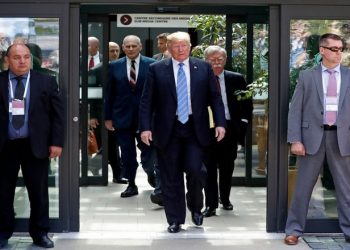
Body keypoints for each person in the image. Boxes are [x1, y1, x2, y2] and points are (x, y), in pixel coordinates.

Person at [139, 31, 226, 233]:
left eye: (184, 46)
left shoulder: (203, 68)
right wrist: (145, 127)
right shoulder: (156, 69)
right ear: (169, 48)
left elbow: (215, 98)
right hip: (167, 130)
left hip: (195, 128)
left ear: (190, 47)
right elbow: (146, 101)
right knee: (170, 176)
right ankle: (175, 219)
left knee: (196, 170)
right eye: (176, 46)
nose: (180, 49)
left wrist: (220, 123)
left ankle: (195, 206)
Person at [284, 33, 350, 245]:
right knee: (303, 188)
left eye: (341, 49)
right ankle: (293, 230)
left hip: (342, 138)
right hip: (311, 138)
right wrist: (295, 139)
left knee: (346, 189)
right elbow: (295, 110)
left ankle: (348, 231)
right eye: (334, 49)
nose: (338, 53)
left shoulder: (349, 75)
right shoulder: (307, 76)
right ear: (322, 50)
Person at [0, 43, 64, 248]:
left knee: (38, 192)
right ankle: (2, 232)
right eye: (17, 57)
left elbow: (57, 116)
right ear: (7, 60)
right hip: (5, 146)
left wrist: (56, 143)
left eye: (26, 57)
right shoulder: (0, 81)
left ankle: (40, 233)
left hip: (35, 145)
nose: (22, 61)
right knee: (2, 192)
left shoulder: (46, 81)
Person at [202, 45, 252, 217]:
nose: (217, 63)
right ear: (206, 60)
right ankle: (211, 204)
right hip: (208, 129)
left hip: (231, 128)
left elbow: (246, 103)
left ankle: (225, 198)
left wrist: (243, 124)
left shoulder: (236, 78)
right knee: (208, 168)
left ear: (225, 60)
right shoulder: (200, 79)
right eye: (212, 60)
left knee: (227, 167)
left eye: (220, 59)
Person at [105, 35, 158, 198]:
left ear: (140, 47)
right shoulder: (114, 66)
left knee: (149, 152)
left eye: (134, 46)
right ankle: (131, 184)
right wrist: (108, 117)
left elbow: (158, 93)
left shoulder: (153, 65)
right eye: (127, 46)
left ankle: (151, 172)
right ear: (122, 47)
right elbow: (109, 93)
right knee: (127, 153)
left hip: (147, 118)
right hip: (122, 117)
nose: (130, 49)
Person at [89, 41, 126, 184]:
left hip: (120, 113)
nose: (115, 53)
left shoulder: (124, 67)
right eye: (112, 51)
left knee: (112, 144)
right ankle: (117, 174)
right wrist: (91, 116)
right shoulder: (97, 70)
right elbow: (91, 95)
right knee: (111, 144)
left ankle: (95, 165)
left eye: (117, 51)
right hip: (101, 113)